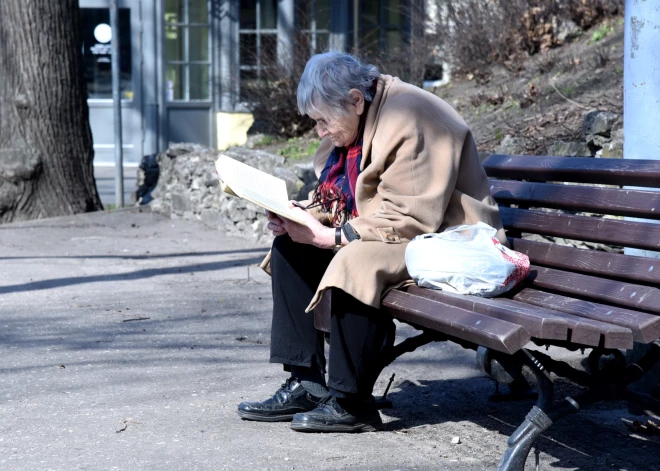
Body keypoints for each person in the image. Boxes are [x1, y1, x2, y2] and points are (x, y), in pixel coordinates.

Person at [237, 52, 506, 433]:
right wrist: (302, 214)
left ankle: (351, 401)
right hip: (406, 232)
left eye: (322, 121)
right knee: (291, 246)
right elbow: (349, 196)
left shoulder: (410, 116)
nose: (319, 132)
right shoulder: (362, 116)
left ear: (355, 100)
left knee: (357, 259)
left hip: (449, 240)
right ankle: (307, 384)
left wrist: (331, 235)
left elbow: (412, 217)